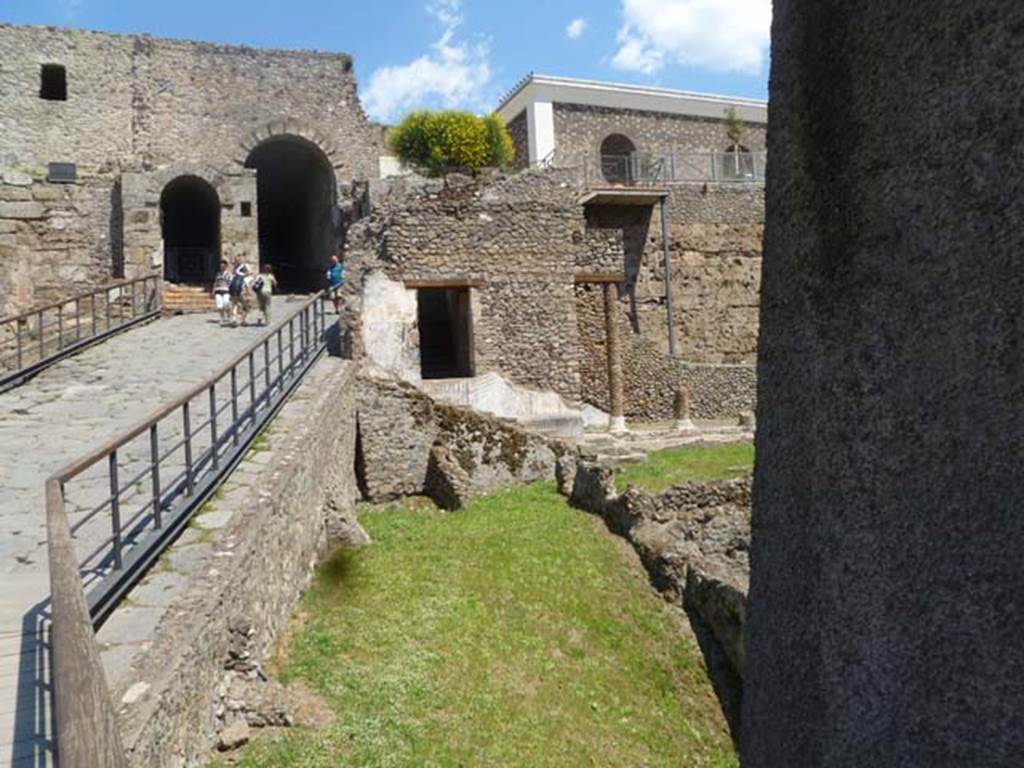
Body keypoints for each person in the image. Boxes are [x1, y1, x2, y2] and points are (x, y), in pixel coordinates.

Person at [229, 255, 253, 326]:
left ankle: (234, 320)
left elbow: (230, 281)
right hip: (243, 291)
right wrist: (249, 292)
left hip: (234, 291)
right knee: (245, 306)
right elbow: (250, 276)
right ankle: (243, 320)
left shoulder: (234, 270)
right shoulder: (246, 270)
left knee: (234, 305)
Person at [212, 259, 232, 326]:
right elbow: (215, 282)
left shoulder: (229, 274)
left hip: (226, 291)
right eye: (221, 266)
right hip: (218, 291)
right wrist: (213, 290)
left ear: (226, 266)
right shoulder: (218, 274)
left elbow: (230, 283)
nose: (222, 267)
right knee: (219, 306)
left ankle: (229, 316)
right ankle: (222, 317)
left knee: (226, 304)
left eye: (223, 266)